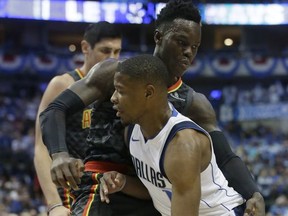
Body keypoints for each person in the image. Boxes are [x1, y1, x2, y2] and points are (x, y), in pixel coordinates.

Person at [40, 0, 265, 215]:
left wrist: (252, 192)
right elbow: (55, 108)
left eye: (194, 47)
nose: (188, 52)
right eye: (181, 42)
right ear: (158, 37)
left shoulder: (194, 102)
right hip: (102, 182)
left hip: (149, 192)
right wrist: (59, 154)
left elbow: (225, 156)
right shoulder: (116, 73)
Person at [99, 54, 246, 215]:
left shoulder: (182, 145)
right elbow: (161, 189)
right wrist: (123, 183)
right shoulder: (132, 131)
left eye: (120, 91)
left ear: (148, 93)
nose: (113, 98)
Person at [34, 21, 122, 216]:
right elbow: (41, 148)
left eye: (117, 52)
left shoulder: (118, 89)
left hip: (105, 185)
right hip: (69, 189)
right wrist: (54, 205)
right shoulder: (62, 84)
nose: (112, 58)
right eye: (105, 51)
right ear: (85, 48)